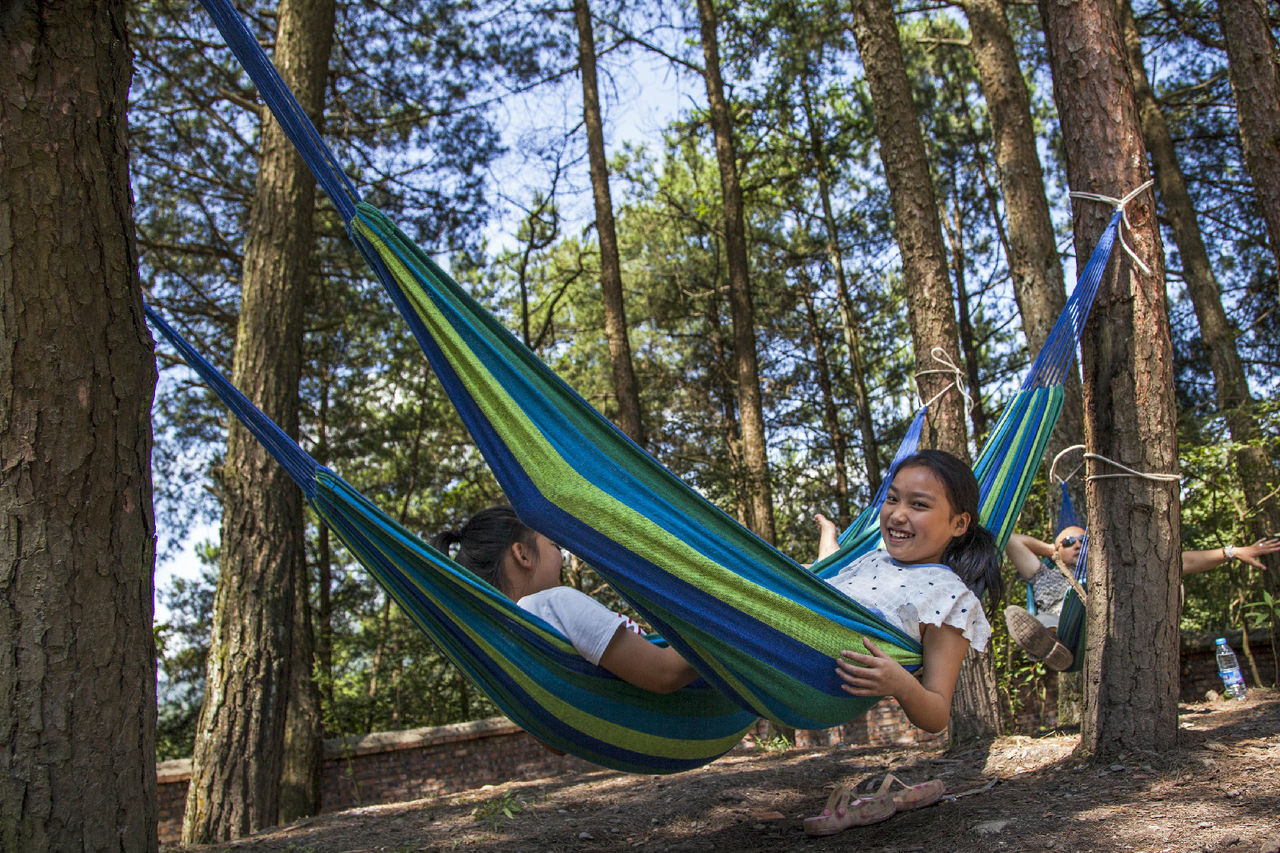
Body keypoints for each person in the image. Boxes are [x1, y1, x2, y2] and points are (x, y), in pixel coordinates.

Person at [804, 449, 1001, 836]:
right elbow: (827, 587)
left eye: (919, 505)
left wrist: (900, 684)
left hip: (810, 662)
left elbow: (936, 713)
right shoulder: (873, 558)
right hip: (792, 621)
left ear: (959, 524)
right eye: (892, 498)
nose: (897, 514)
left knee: (671, 669)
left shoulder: (951, 598)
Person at [432, 506, 700, 694]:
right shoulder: (555, 603)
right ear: (522, 555)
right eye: (554, 546)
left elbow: (553, 740)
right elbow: (665, 673)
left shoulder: (505, 641)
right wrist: (731, 624)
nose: (560, 557)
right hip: (688, 698)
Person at [1003, 526, 1280, 671]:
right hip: (1066, 626)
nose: (1076, 544)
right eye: (1068, 541)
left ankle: (1055, 644)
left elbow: (1179, 562)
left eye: (1083, 540)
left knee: (1161, 573)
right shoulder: (1045, 576)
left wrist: (1230, 552)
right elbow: (1012, 539)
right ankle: (1055, 647)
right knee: (1042, 621)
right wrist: (1050, 549)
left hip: (1113, 630)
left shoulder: (1112, 572)